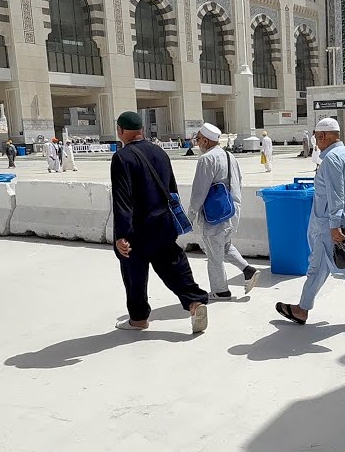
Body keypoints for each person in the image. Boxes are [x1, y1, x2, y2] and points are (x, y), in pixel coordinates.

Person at [111, 111, 210, 333]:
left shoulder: (122, 158)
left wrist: (122, 234)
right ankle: (195, 303)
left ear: (120, 131)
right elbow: (171, 189)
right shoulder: (159, 152)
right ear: (142, 130)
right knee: (174, 265)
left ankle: (138, 319)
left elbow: (122, 200)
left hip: (137, 228)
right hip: (163, 223)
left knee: (134, 273)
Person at [275, 117, 345, 329]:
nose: (315, 141)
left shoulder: (330, 159)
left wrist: (334, 226)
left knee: (317, 267)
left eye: (316, 137)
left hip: (331, 227)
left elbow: (336, 195)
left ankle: (301, 310)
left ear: (321, 136)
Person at [188, 123, 260, 299]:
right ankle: (248, 270)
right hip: (231, 211)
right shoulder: (229, 156)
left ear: (205, 140)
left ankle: (221, 291)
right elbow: (238, 182)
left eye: (198, 139)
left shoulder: (206, 159)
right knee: (225, 246)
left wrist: (190, 216)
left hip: (215, 215)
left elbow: (199, 191)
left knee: (214, 255)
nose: (197, 143)